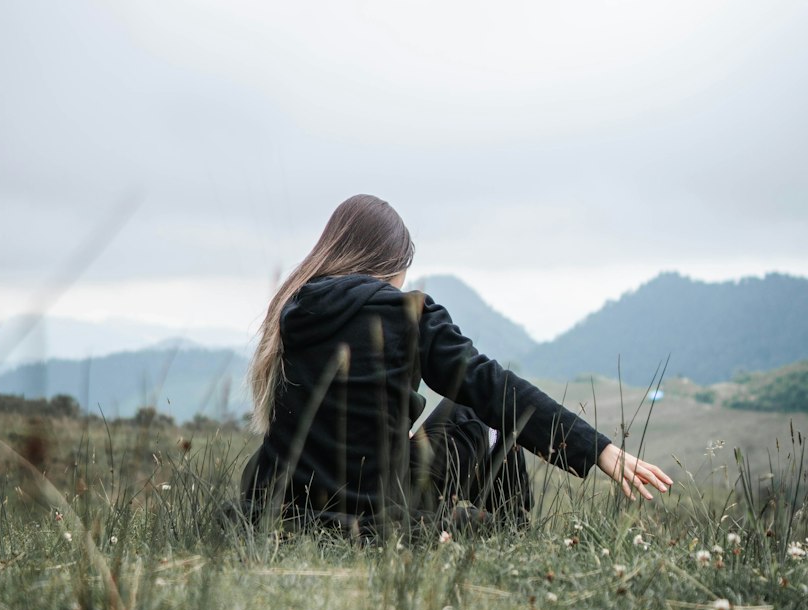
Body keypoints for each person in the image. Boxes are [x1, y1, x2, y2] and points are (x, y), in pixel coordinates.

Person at [242, 194, 671, 530]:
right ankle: (508, 529)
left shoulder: (292, 310)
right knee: (476, 412)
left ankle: (474, 524)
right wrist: (597, 448)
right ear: (391, 264)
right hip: (377, 513)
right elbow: (492, 386)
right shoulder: (405, 312)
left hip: (287, 510)